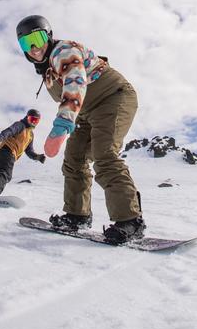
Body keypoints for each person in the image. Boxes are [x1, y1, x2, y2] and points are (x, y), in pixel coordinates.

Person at [16, 15, 146, 244]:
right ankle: (77, 215)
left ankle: (130, 221)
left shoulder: (64, 52)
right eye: (27, 44)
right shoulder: (47, 72)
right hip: (86, 113)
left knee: (104, 153)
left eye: (37, 38)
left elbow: (75, 82)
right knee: (73, 159)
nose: (34, 48)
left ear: (48, 36)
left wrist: (62, 125)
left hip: (113, 98)